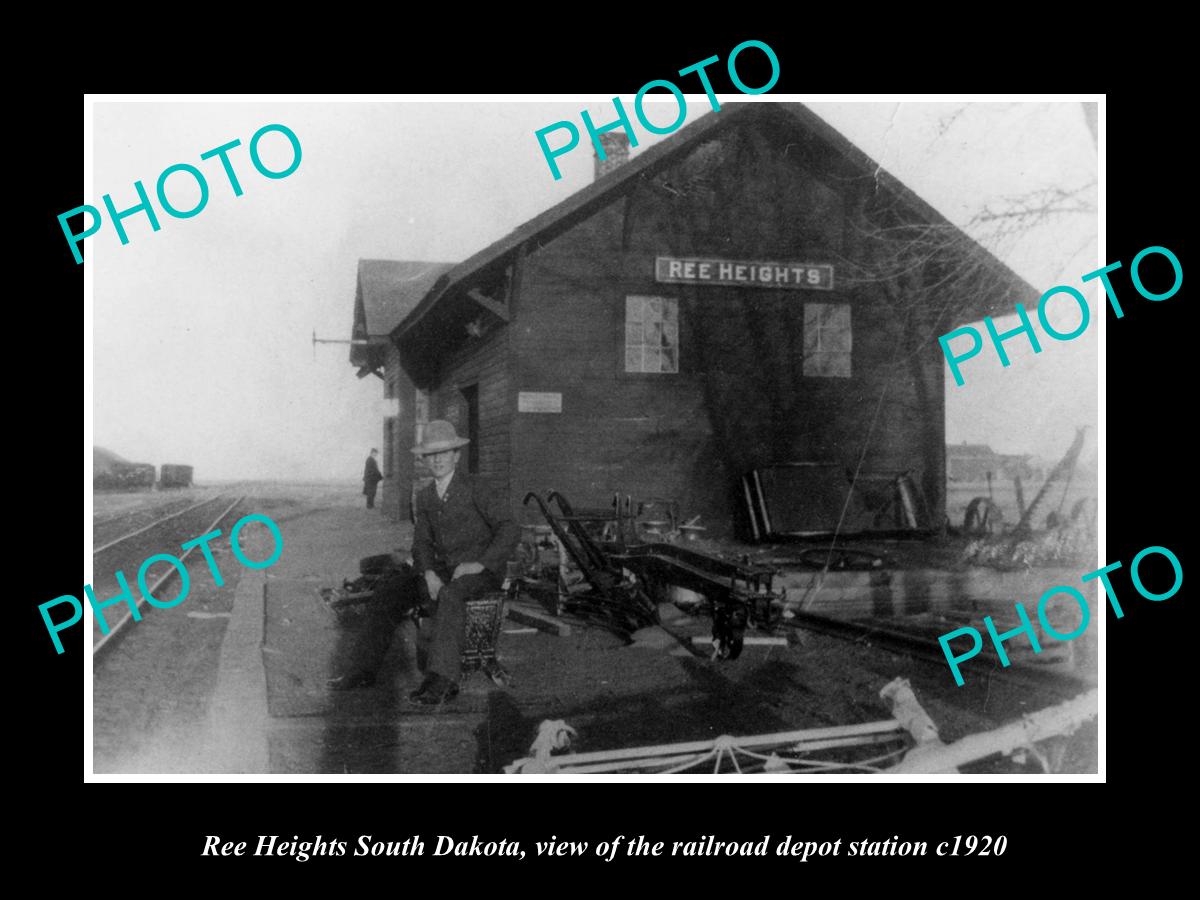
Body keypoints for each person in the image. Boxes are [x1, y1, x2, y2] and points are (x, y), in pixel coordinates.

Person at [327, 421, 518, 706]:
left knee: (451, 595)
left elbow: (510, 527)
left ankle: (443, 681)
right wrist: (428, 572)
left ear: (456, 455)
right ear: (425, 460)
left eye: (445, 453)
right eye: (432, 454)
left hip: (482, 572)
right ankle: (363, 670)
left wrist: (480, 564)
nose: (438, 459)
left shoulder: (477, 487)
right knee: (389, 591)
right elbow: (422, 543)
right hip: (444, 569)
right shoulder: (426, 496)